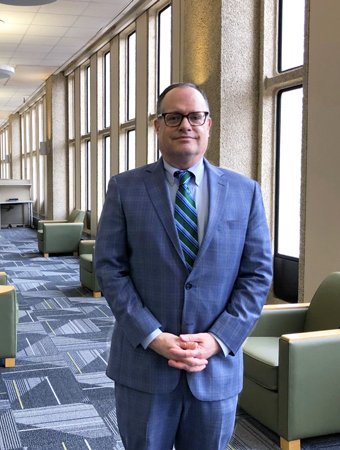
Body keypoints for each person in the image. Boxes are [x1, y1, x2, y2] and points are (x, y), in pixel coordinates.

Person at [94, 83, 273, 450]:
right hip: (144, 365)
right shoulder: (124, 189)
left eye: (195, 116)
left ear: (209, 124)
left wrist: (218, 338)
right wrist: (152, 336)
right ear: (157, 126)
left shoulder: (246, 191)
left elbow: (256, 275)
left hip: (215, 367)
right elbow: (110, 269)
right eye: (173, 117)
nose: (185, 125)